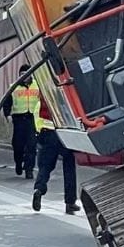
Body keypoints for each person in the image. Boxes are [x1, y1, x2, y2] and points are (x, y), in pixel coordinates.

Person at [32, 87, 80, 215]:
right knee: (69, 166)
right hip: (63, 132)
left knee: (45, 167)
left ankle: (39, 189)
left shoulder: (43, 95)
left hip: (47, 132)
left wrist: (40, 136)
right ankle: (70, 203)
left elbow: (37, 117)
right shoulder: (63, 91)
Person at [1, 63, 38, 178]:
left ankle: (29, 169)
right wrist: (7, 115)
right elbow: (6, 102)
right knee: (18, 145)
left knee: (32, 145)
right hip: (18, 119)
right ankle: (18, 163)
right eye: (21, 74)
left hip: (33, 118)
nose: (24, 76)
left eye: (26, 74)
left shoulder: (37, 86)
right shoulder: (14, 86)